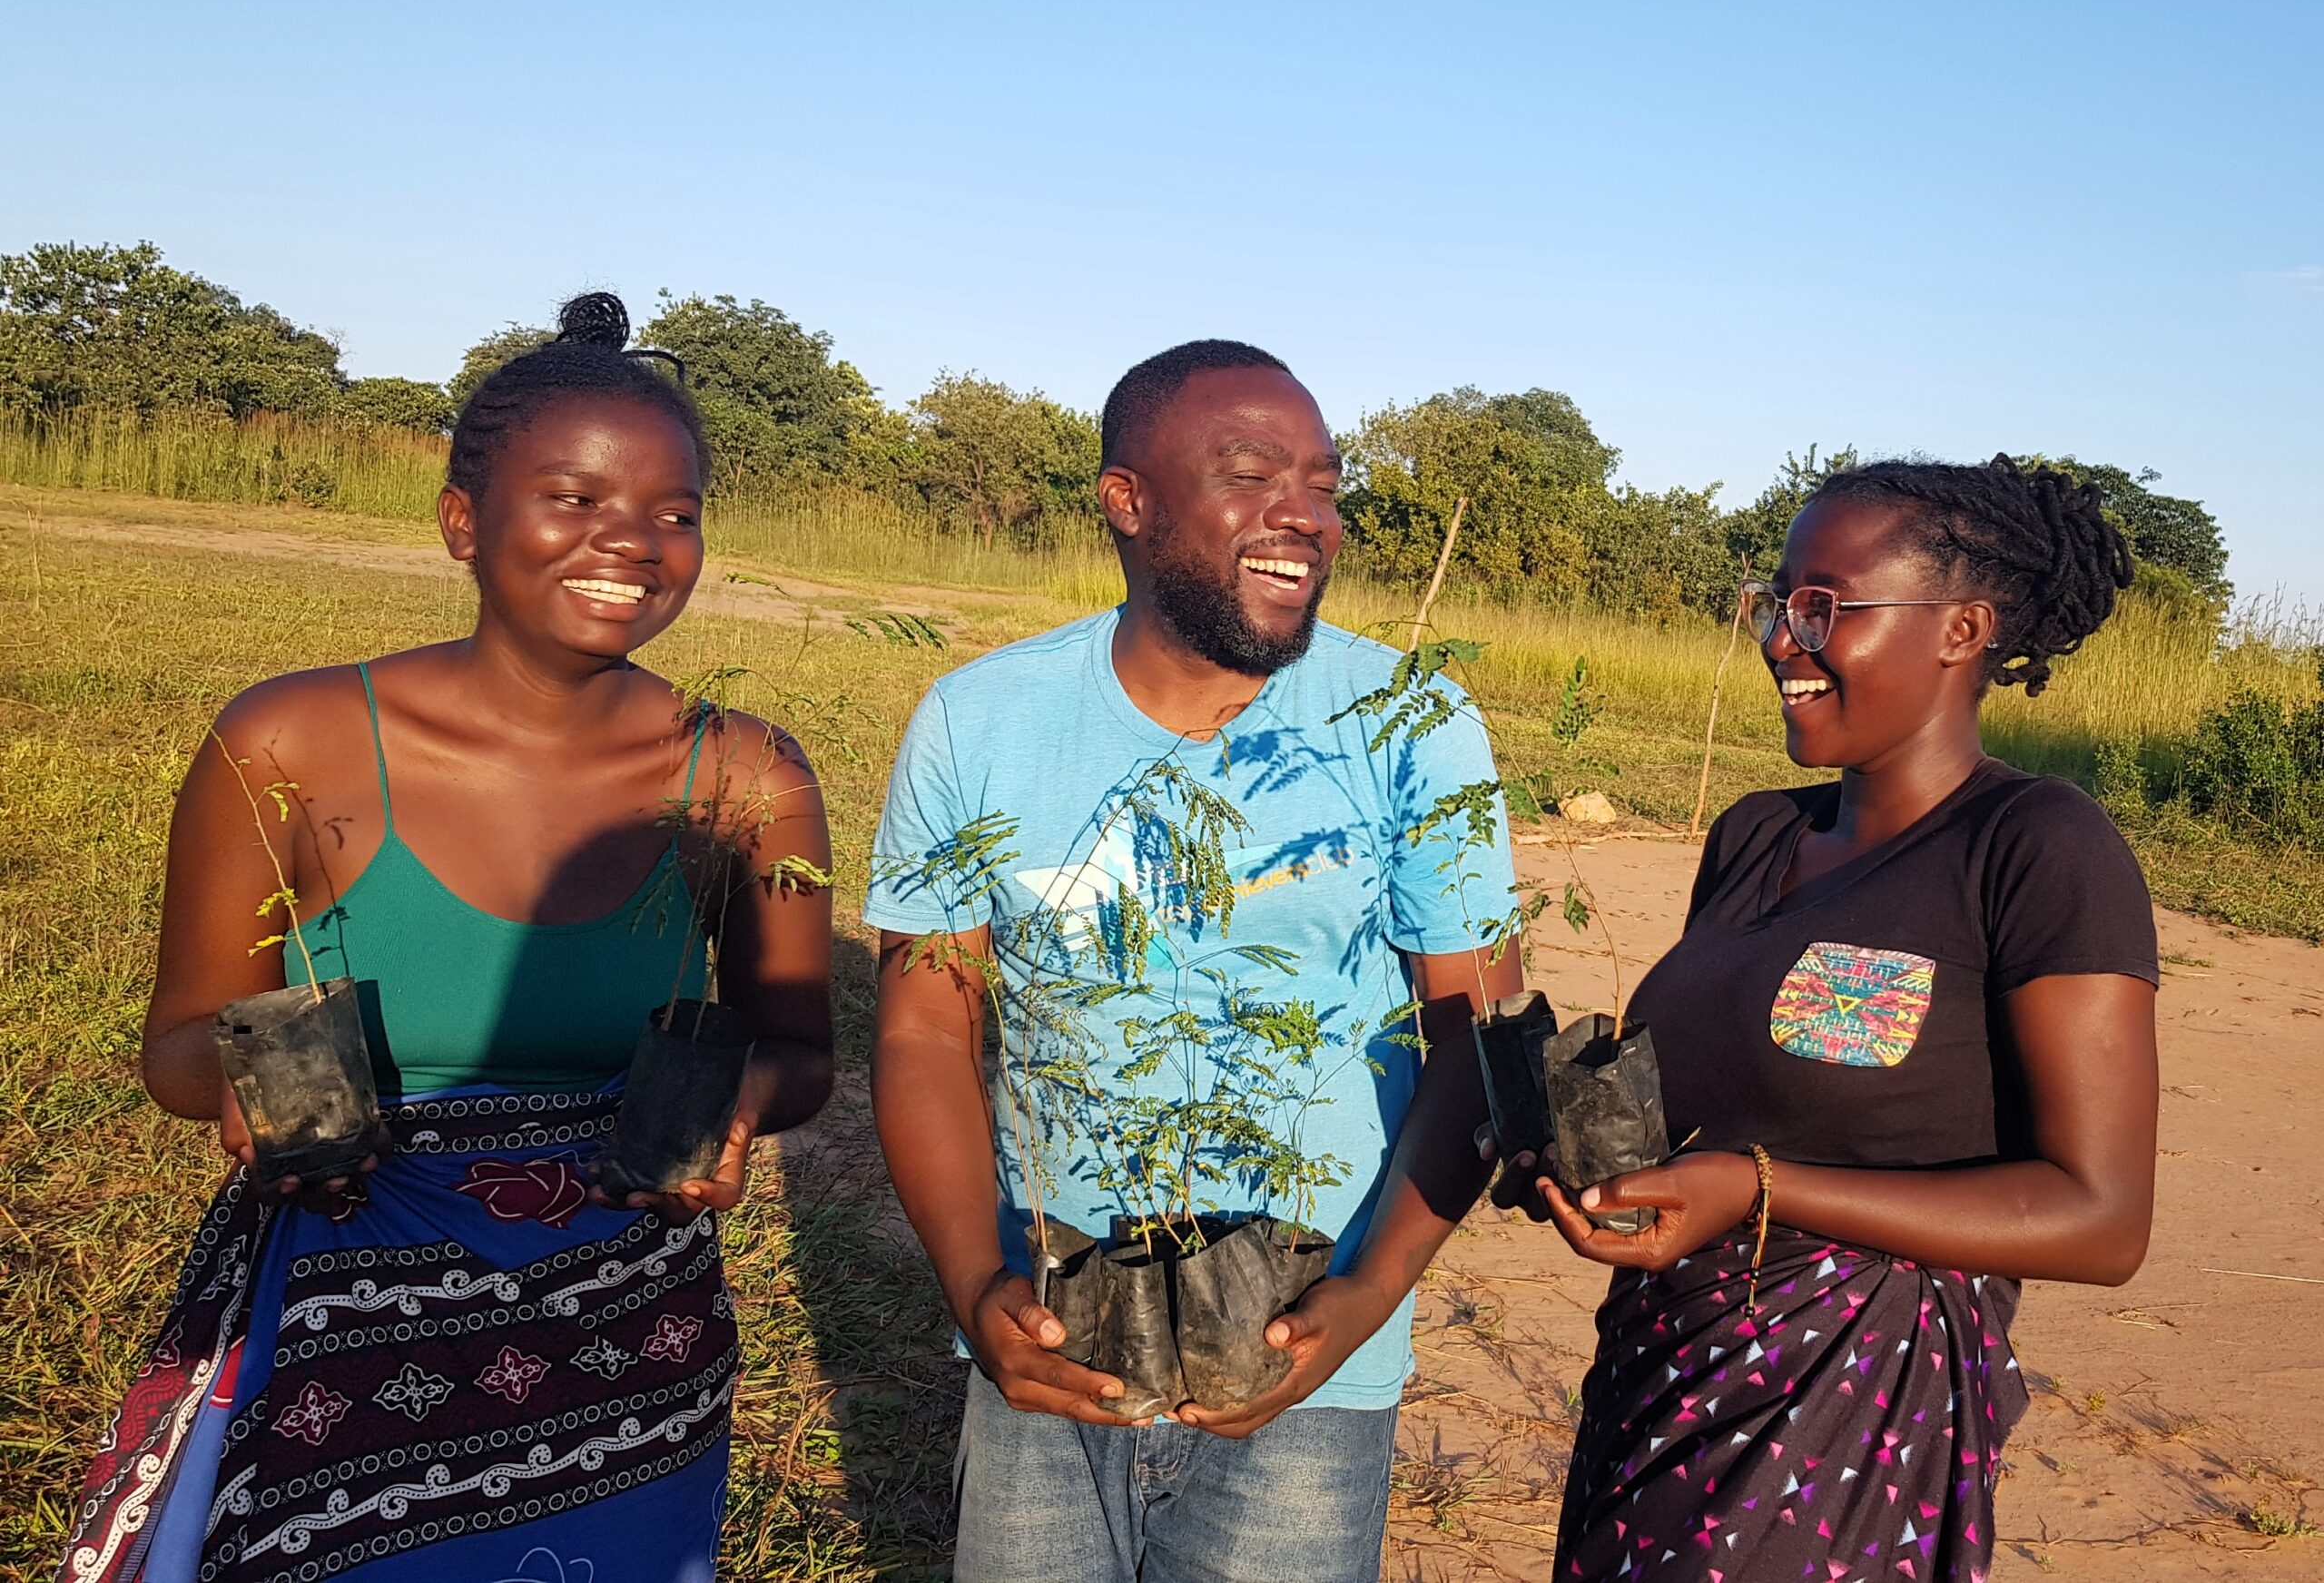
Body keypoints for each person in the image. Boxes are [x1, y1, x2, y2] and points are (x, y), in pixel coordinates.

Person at [60, 295, 834, 1582]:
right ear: (463, 522)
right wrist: (275, 1083)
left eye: (674, 513)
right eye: (576, 500)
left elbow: (800, 1049)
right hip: (348, 1319)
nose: (631, 545)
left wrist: (730, 1101)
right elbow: (182, 1046)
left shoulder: (749, 775)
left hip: (624, 1337)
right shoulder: (290, 746)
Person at [867, 341, 1524, 1583]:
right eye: (1252, 473)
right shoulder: (981, 720)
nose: (1305, 515)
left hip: (1302, 1348)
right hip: (1055, 1329)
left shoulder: (1411, 722)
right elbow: (920, 1028)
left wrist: (1366, 1297)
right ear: (1128, 501)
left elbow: (1482, 1042)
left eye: (1325, 485)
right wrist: (973, 1284)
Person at [1512, 456, 2159, 1581]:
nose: (1779, 639)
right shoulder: (1756, 836)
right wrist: (1567, 1153)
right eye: (1777, 602)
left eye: (1824, 608)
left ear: (1962, 629)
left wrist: (1758, 1190)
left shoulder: (2035, 846)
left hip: (1848, 1418)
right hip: (1663, 1384)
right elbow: (1713, 1109)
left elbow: (2101, 1221)